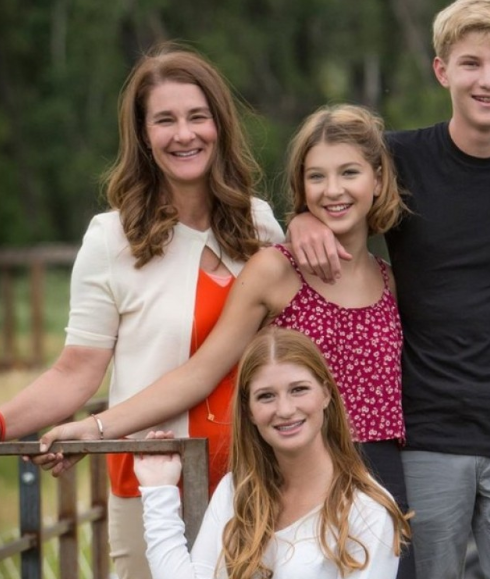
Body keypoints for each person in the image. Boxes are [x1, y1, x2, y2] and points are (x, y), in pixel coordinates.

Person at [36, 104, 416, 578]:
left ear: (378, 180)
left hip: (381, 480)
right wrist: (96, 429)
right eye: (316, 176)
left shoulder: (390, 281)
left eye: (349, 173)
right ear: (301, 188)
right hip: (297, 471)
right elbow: (201, 371)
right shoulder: (276, 270)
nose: (333, 190)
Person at [288, 2, 490, 578]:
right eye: (470, 64)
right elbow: (335, 182)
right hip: (426, 431)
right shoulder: (400, 158)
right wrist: (300, 219)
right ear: (442, 71)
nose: (487, 80)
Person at [0, 42, 284, 579]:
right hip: (153, 482)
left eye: (198, 116)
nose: (184, 134)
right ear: (143, 135)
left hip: (258, 481)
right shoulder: (111, 239)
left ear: (219, 124)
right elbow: (76, 371)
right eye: (165, 120)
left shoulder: (261, 226)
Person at [133, 326, 410, 579]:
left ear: (326, 394)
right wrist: (159, 492)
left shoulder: (366, 511)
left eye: (299, 389)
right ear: (249, 411)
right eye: (266, 396)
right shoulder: (236, 490)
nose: (285, 410)